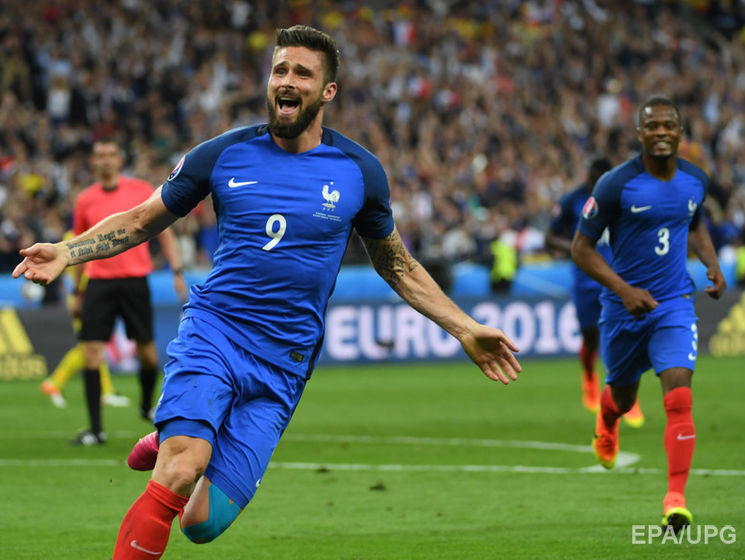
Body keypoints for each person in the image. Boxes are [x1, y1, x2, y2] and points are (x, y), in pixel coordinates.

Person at [14, 26, 522, 558]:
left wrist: (466, 328)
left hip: (284, 363)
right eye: (280, 69)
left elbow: (397, 264)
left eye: (303, 73)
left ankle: (171, 434)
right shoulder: (222, 155)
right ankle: (180, 437)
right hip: (215, 332)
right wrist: (68, 251)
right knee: (183, 466)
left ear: (327, 91)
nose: (287, 80)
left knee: (201, 523)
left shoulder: (359, 172)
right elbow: (143, 219)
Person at [571, 96, 726, 533]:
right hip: (623, 308)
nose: (660, 132)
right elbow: (581, 249)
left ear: (680, 133)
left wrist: (711, 262)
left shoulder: (696, 180)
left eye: (668, 125)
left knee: (679, 396)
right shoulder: (615, 184)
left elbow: (694, 221)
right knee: (622, 398)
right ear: (640, 133)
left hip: (674, 302)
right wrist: (623, 289)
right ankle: (607, 420)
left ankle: (675, 499)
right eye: (652, 126)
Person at [67, 138, 187, 445]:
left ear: (119, 159)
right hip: (99, 283)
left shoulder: (141, 190)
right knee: (91, 353)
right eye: (100, 155)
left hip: (134, 281)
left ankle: (146, 406)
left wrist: (176, 272)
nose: (106, 160)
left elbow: (165, 233)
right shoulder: (85, 200)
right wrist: (78, 291)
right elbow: (79, 246)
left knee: (147, 354)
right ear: (94, 161)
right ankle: (95, 430)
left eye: (111, 154)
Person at [546, 157, 645, 426]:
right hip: (585, 280)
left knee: (625, 337)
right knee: (591, 338)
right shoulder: (571, 201)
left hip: (617, 280)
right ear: (589, 177)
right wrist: (576, 247)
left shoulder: (622, 197)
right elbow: (549, 237)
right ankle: (589, 375)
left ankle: (628, 396)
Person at [40, 231, 131, 409]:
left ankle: (105, 391)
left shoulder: (72, 235)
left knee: (93, 346)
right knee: (90, 346)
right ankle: (56, 383)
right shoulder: (84, 236)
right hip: (84, 297)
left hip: (85, 296)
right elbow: (84, 270)